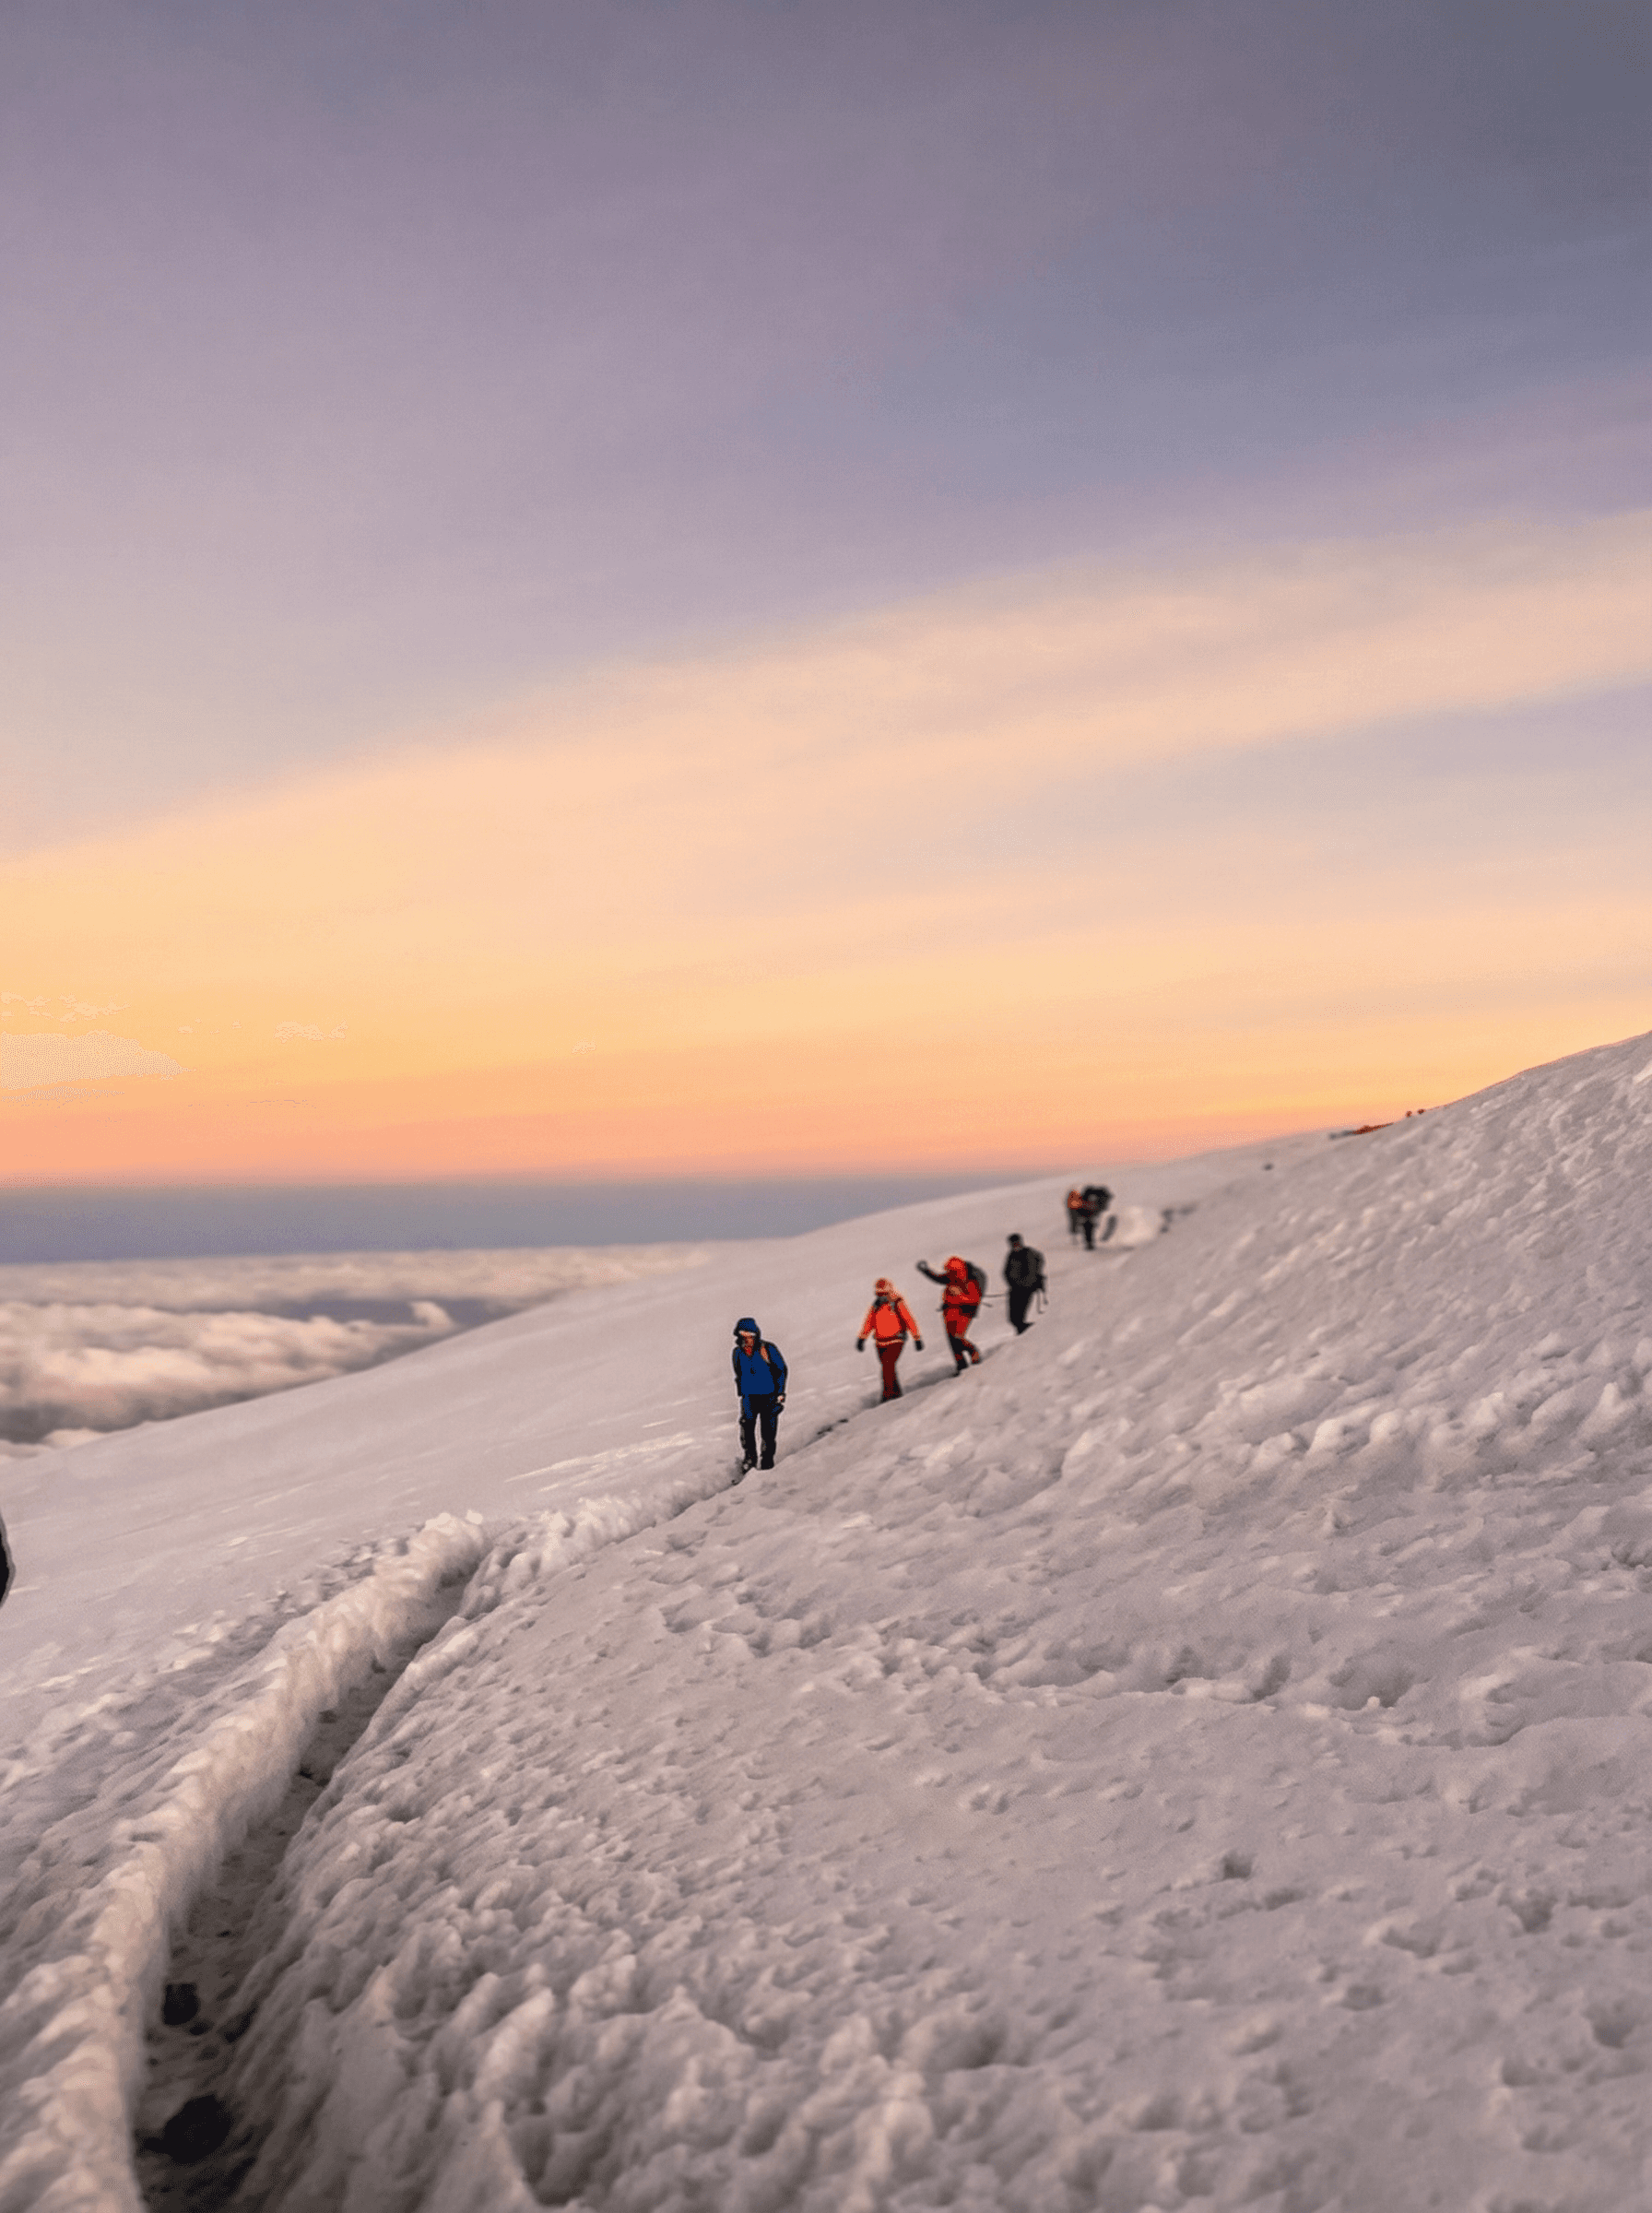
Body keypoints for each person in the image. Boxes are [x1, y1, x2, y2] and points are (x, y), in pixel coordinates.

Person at [731, 1318, 787, 1475]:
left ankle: (767, 1460)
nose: (747, 1338)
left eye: (750, 1334)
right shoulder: (737, 1353)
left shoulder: (767, 1349)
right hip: (749, 1397)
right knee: (746, 1427)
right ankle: (750, 1459)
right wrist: (742, 1392)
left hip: (769, 1396)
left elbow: (781, 1370)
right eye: (743, 1334)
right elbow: (739, 1373)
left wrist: (780, 1393)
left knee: (768, 1430)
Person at [856, 1278, 924, 1401]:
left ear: (889, 1291)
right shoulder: (876, 1305)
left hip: (896, 1340)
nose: (880, 1296)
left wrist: (917, 1338)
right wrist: (861, 1338)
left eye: (883, 1294)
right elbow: (869, 1322)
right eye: (878, 1294)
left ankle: (887, 1396)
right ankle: (896, 1393)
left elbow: (909, 1320)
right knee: (888, 1368)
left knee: (887, 1367)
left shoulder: (897, 1302)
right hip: (880, 1343)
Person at [916, 1255, 984, 1372]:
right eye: (948, 1270)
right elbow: (938, 1278)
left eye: (951, 1271)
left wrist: (959, 1296)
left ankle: (973, 1351)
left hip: (965, 1311)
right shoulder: (952, 1276)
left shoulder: (970, 1281)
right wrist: (926, 1270)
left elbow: (974, 1299)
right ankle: (961, 1365)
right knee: (952, 1340)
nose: (949, 1273)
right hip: (950, 1311)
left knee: (957, 1337)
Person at [1003, 1234, 1044, 1333]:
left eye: (1016, 1242)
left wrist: (1023, 1285)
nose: (1015, 1245)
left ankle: (1029, 1334)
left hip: (1026, 1289)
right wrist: (1012, 1284)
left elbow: (1032, 1272)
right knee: (1013, 1318)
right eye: (1012, 1243)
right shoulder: (1011, 1255)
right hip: (1015, 1289)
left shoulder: (1028, 1254)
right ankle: (1024, 1332)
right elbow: (1006, 1271)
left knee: (1018, 1317)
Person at [1080, 1183, 1112, 1250]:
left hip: (1091, 1213)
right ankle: (1090, 1243)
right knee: (1089, 1227)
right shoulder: (1099, 1196)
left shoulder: (1100, 1196)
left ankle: (1091, 1242)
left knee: (1089, 1227)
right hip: (1088, 1214)